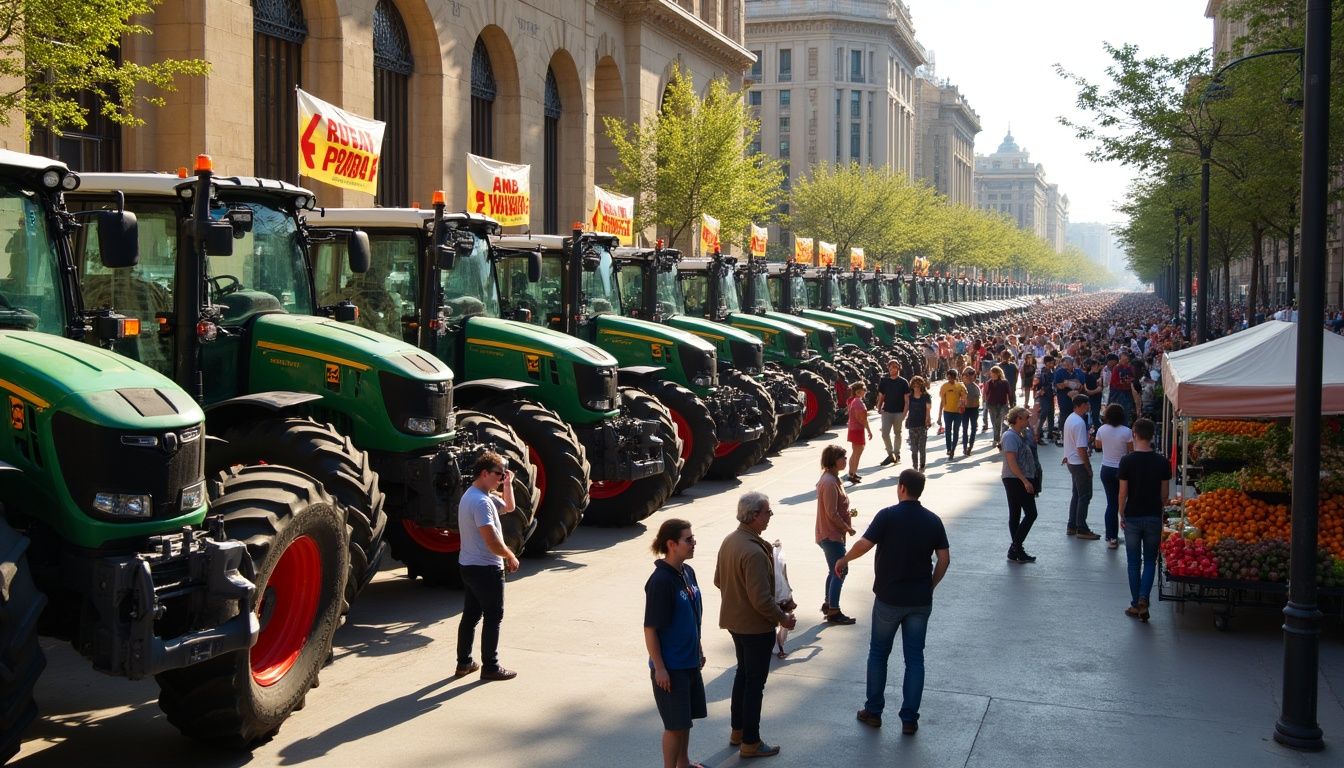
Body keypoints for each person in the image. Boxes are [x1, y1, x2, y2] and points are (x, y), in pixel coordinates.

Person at [836, 470, 950, 735]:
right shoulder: (933, 521)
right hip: (920, 600)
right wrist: (930, 585)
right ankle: (909, 719)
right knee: (914, 659)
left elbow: (864, 544)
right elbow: (944, 559)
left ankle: (873, 711)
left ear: (901, 488)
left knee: (878, 654)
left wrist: (844, 560)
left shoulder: (888, 515)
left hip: (889, 598)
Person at [715, 492, 796, 759]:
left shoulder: (731, 541)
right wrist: (783, 618)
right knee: (754, 684)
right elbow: (761, 600)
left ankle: (737, 730)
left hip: (735, 622)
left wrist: (738, 596)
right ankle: (750, 741)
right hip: (755, 628)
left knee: (743, 675)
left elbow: (719, 581)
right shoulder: (753, 551)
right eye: (767, 512)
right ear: (753, 515)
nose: (770, 516)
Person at [644, 518, 707, 768]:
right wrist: (659, 667)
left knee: (685, 721)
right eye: (688, 539)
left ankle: (684, 763)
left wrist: (698, 646)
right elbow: (650, 629)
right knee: (674, 726)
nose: (693, 543)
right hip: (671, 668)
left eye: (693, 538)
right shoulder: (661, 582)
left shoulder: (687, 572)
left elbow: (691, 614)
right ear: (672, 544)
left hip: (689, 660)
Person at [455, 451, 520, 681]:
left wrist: (508, 483)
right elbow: (491, 540)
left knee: (471, 616)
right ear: (484, 473)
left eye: (503, 475)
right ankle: (490, 667)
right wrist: (510, 555)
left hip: (469, 566)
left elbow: (509, 507)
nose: (501, 479)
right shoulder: (481, 502)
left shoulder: (477, 495)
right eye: (499, 475)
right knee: (494, 616)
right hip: (486, 569)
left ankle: (464, 663)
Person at [1118, 418, 1171, 621]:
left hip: (1132, 516)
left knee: (1133, 562)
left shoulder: (1127, 461)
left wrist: (1122, 513)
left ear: (1134, 434)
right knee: (1150, 560)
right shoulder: (1162, 462)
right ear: (1152, 436)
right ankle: (1143, 598)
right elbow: (1164, 494)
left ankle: (1135, 603)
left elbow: (1123, 493)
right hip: (1152, 516)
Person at [815, 445, 858, 625]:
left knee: (834, 570)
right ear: (833, 460)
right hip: (831, 535)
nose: (845, 461)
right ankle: (834, 610)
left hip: (830, 534)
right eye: (843, 458)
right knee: (840, 569)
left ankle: (829, 603)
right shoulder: (830, 482)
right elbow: (831, 513)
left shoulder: (833, 479)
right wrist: (847, 527)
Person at [999, 407, 1040, 563]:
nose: (1027, 420)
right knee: (1031, 513)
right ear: (1017, 419)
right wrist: (1024, 480)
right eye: (1025, 418)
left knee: (1015, 514)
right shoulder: (1010, 436)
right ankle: (1016, 547)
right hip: (1014, 478)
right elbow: (1011, 461)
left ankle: (1016, 550)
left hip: (1016, 478)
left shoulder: (1019, 434)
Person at [1094, 404, 1133, 549]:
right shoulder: (1127, 432)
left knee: (1111, 503)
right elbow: (1131, 451)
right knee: (1125, 501)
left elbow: (1098, 445)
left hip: (1106, 469)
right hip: (1123, 470)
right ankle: (1129, 533)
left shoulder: (1101, 430)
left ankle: (1111, 537)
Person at [1061, 394, 1100, 540]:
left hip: (1072, 461)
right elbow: (1081, 448)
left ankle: (1072, 525)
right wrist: (1088, 467)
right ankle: (1081, 528)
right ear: (1079, 406)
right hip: (1078, 463)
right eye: (1086, 404)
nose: (1088, 407)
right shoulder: (1079, 423)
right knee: (1084, 496)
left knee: (1077, 495)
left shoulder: (1071, 419)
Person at [875, 360, 910, 466]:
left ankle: (896, 453)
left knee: (897, 433)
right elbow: (882, 396)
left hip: (899, 412)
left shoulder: (903, 382)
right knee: (885, 434)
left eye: (894, 367)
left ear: (898, 368)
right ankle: (891, 455)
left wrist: (905, 413)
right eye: (890, 367)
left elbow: (907, 400)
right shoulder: (884, 381)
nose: (892, 369)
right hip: (887, 412)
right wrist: (879, 407)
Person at [936, 369, 966, 461]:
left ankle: (953, 449)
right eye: (948, 377)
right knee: (948, 431)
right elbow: (942, 401)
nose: (950, 379)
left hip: (958, 413)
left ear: (955, 377)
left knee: (956, 431)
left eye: (952, 377)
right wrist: (939, 416)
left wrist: (962, 403)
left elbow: (964, 398)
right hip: (947, 412)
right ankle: (949, 449)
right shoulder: (944, 386)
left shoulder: (960, 386)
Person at [846, 382, 872, 482]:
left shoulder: (856, 401)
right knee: (858, 452)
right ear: (858, 392)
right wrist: (868, 430)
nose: (865, 391)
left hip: (855, 429)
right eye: (864, 390)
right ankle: (852, 474)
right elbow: (861, 418)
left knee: (856, 452)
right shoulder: (858, 402)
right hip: (857, 429)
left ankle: (852, 473)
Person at [905, 376, 933, 472]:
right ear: (912, 386)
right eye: (914, 385)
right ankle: (915, 466)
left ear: (921, 386)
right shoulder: (910, 397)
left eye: (918, 385)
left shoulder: (926, 396)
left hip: (922, 424)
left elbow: (928, 409)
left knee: (922, 447)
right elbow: (907, 408)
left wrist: (927, 420)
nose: (916, 387)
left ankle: (922, 465)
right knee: (913, 448)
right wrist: (903, 418)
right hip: (912, 424)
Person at [984, 365, 1011, 449]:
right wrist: (985, 403)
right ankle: (996, 439)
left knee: (1004, 423)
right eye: (991, 373)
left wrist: (1011, 403)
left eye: (994, 373)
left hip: (1003, 405)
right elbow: (986, 393)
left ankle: (1003, 440)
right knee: (995, 423)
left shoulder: (1004, 382)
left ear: (998, 373)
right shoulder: (989, 383)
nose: (992, 375)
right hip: (992, 405)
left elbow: (1009, 393)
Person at [960, 367, 982, 456]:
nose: (969, 377)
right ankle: (965, 447)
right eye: (966, 375)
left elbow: (978, 398)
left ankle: (970, 446)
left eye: (971, 374)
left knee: (973, 429)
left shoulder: (975, 386)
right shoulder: (961, 386)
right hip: (965, 410)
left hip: (973, 409)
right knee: (965, 429)